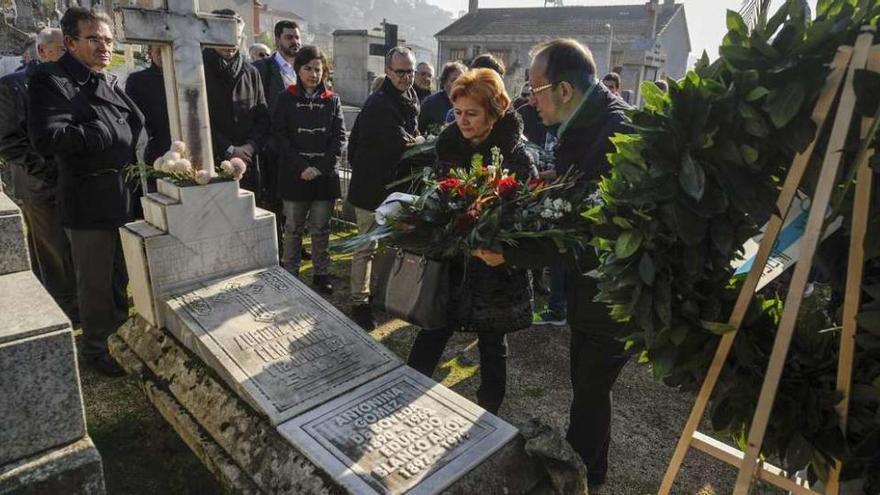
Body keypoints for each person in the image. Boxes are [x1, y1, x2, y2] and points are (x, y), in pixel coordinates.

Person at [472, 39, 632, 488]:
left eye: (534, 88)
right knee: (588, 386)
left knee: (590, 388)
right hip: (592, 285)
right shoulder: (586, 123)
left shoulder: (614, 135)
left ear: (563, 89)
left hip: (615, 289)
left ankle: (572, 480)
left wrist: (511, 253)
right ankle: (592, 474)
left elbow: (586, 229)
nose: (528, 99)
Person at [407, 68, 536, 415]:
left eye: (472, 114)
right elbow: (437, 197)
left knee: (493, 342)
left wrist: (502, 244)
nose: (462, 121)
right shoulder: (447, 147)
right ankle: (404, 394)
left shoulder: (516, 158)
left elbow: (529, 216)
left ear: (494, 113)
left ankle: (489, 412)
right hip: (453, 263)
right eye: (458, 113)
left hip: (495, 269)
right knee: (433, 328)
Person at [28, 7, 146, 377]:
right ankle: (97, 349)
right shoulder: (52, 79)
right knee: (94, 281)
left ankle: (120, 338)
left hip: (123, 195)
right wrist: (104, 133)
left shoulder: (103, 80)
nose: (104, 47)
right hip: (89, 200)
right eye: (94, 39)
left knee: (118, 277)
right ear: (70, 42)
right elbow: (48, 136)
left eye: (108, 40)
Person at [0, 27, 78, 322]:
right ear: (42, 52)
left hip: (74, 180)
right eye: (60, 48)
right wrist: (47, 171)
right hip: (40, 184)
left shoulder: (70, 82)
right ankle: (65, 310)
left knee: (77, 248)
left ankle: (82, 303)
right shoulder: (13, 85)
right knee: (53, 251)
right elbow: (9, 141)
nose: (67, 54)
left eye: (69, 48)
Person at [346, 46, 420, 331]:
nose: (406, 77)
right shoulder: (380, 104)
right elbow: (402, 143)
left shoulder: (407, 97)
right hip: (371, 186)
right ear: (388, 71)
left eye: (410, 71)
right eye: (400, 72)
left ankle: (374, 293)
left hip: (391, 186)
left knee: (381, 246)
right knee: (366, 247)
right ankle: (359, 302)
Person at [272, 46, 346, 294]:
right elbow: (280, 137)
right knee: (293, 228)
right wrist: (302, 167)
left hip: (323, 177)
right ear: (298, 69)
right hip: (295, 175)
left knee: (321, 228)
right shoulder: (286, 98)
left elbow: (339, 138)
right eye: (307, 68)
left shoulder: (333, 100)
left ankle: (320, 272)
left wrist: (321, 168)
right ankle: (290, 270)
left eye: (318, 69)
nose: (313, 74)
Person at [204, 9, 270, 199]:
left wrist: (250, 146)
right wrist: (230, 149)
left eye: (238, 37)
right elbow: (199, 119)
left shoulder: (251, 72)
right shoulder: (198, 70)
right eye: (226, 37)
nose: (232, 44)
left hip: (248, 161)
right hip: (212, 161)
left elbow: (262, 116)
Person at [125, 45, 169, 166]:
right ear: (150, 53)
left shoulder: (187, 79)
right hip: (155, 152)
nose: (163, 55)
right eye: (159, 50)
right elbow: (134, 118)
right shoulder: (137, 81)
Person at [253, 20, 302, 110]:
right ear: (277, 40)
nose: (295, 41)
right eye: (289, 37)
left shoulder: (305, 69)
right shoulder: (260, 68)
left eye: (297, 37)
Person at [418, 61, 464, 135]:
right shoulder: (430, 103)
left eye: (462, 80)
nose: (459, 84)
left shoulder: (470, 103)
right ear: (444, 82)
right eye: (454, 80)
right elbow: (419, 130)